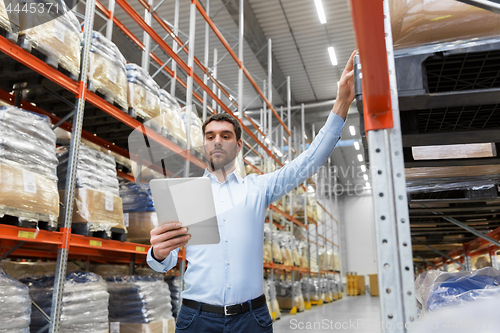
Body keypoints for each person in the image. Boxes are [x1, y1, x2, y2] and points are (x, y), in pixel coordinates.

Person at [147, 50, 356, 333]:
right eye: (210, 137)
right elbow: (167, 262)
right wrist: (159, 254)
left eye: (226, 136)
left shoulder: (257, 189)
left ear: (238, 146)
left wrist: (342, 103)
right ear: (204, 145)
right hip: (197, 319)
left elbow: (307, 163)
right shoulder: (189, 195)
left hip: (250, 319)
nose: (217, 142)